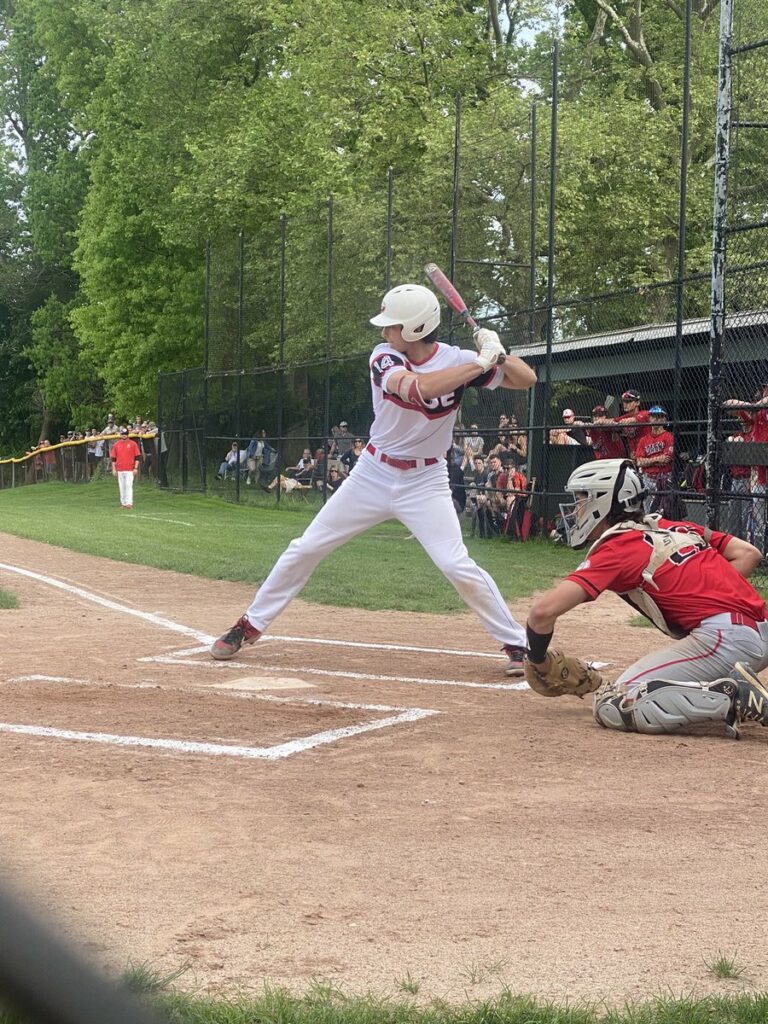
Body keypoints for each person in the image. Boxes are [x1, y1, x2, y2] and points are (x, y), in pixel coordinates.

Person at [211, 281, 536, 675]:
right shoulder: (384, 357)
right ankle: (249, 625)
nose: (385, 332)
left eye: (393, 325)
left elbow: (527, 379)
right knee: (306, 546)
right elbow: (419, 389)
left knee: (456, 564)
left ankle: (518, 644)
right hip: (373, 473)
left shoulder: (459, 358)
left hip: (427, 480)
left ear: (416, 328)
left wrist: (499, 354)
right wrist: (480, 364)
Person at [523, 458, 768, 739]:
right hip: (759, 629)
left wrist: (539, 662)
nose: (576, 510)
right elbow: (749, 554)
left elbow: (542, 614)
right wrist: (704, 595)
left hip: (725, 639)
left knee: (614, 702)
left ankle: (733, 696)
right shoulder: (672, 527)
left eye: (581, 500)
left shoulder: (617, 547)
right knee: (665, 681)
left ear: (602, 502)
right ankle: (726, 685)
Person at [634, 405, 674, 512]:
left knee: (662, 510)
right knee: (647, 511)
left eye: (659, 416)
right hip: (647, 479)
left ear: (664, 419)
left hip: (664, 478)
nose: (656, 419)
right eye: (653, 416)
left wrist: (648, 461)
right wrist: (656, 460)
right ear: (649, 418)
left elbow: (666, 459)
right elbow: (639, 462)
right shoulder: (644, 440)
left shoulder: (668, 437)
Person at [611, 389, 651, 458]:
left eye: (628, 401)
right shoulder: (624, 417)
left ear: (637, 403)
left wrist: (622, 421)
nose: (625, 404)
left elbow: (635, 419)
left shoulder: (645, 413)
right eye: (624, 401)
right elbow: (612, 421)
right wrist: (601, 421)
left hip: (648, 454)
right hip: (634, 455)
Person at [110, 427, 141, 508]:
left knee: (128, 485)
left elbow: (137, 457)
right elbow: (113, 458)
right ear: (120, 435)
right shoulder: (116, 444)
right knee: (122, 486)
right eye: (122, 434)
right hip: (120, 469)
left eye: (125, 434)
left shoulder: (133, 443)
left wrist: (136, 468)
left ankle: (129, 503)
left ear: (128, 435)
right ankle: (123, 503)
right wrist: (113, 469)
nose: (124, 435)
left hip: (130, 469)